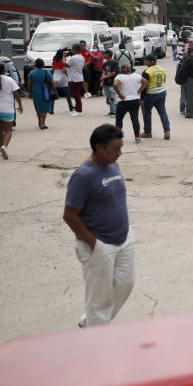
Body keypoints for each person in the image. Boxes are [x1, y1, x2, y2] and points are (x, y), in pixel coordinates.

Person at [63, 124, 133, 327]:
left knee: (125, 284)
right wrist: (94, 244)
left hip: (123, 239)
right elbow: (69, 215)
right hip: (99, 245)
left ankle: (93, 321)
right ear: (99, 147)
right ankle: (97, 343)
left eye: (121, 147)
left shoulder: (113, 164)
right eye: (115, 149)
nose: (119, 153)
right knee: (99, 300)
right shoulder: (83, 176)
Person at [138, 55, 171, 140]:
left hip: (150, 95)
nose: (145, 62)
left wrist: (141, 99)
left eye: (145, 60)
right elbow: (164, 81)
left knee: (146, 112)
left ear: (149, 62)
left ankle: (147, 132)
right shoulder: (162, 69)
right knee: (162, 112)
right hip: (161, 93)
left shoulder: (147, 72)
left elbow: (144, 86)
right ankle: (167, 131)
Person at [112, 63, 143, 144]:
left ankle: (118, 138)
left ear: (121, 70)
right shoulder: (136, 76)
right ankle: (137, 137)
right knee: (135, 119)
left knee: (119, 119)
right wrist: (139, 91)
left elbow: (115, 85)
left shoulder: (120, 77)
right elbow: (145, 82)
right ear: (130, 69)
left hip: (123, 101)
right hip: (135, 100)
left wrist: (120, 94)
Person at [25, 58, 55, 130]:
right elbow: (52, 83)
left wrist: (29, 93)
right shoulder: (47, 72)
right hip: (46, 92)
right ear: (43, 65)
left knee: (38, 107)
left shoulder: (31, 73)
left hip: (35, 92)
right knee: (44, 108)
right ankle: (43, 123)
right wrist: (53, 89)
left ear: (35, 65)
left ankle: (39, 121)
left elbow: (29, 84)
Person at [66, 46, 86, 115]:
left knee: (76, 95)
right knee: (76, 95)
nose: (71, 50)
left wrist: (63, 56)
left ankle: (79, 111)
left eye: (72, 49)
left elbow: (65, 64)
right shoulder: (82, 57)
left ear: (74, 49)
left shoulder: (73, 57)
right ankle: (77, 108)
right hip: (79, 78)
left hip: (74, 79)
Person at [100, 50, 119, 117]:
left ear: (108, 54)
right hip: (106, 83)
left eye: (104, 54)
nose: (103, 55)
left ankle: (115, 111)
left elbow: (114, 73)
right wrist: (102, 80)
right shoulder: (105, 63)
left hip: (112, 82)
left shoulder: (115, 63)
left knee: (113, 97)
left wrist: (104, 77)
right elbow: (103, 72)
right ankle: (111, 110)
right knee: (108, 97)